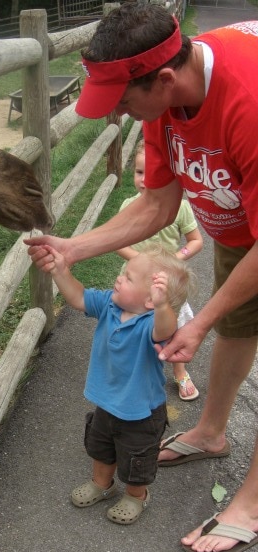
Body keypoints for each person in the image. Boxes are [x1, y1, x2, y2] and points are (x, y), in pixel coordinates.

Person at [24, 2, 258, 552]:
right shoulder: (163, 106)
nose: (122, 113)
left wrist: (195, 320)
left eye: (125, 99)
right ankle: (209, 432)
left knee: (216, 321)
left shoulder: (248, 103)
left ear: (165, 78)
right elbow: (157, 202)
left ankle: (251, 502)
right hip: (238, 221)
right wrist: (73, 247)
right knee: (239, 323)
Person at [35, 243, 193, 525]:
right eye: (124, 272)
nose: (119, 278)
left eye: (129, 278)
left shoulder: (150, 324)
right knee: (101, 446)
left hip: (141, 413)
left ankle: (136, 495)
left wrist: (163, 306)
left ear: (150, 301)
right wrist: (60, 271)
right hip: (107, 404)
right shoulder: (109, 304)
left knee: (137, 460)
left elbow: (165, 329)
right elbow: (79, 297)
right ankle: (102, 484)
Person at [117, 139, 203, 400]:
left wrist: (175, 259)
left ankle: (179, 370)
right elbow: (119, 242)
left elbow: (196, 241)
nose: (144, 180)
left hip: (167, 283)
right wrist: (143, 264)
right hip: (134, 283)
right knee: (131, 325)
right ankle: (134, 373)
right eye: (139, 172)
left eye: (152, 173)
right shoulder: (128, 207)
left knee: (173, 326)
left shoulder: (181, 207)